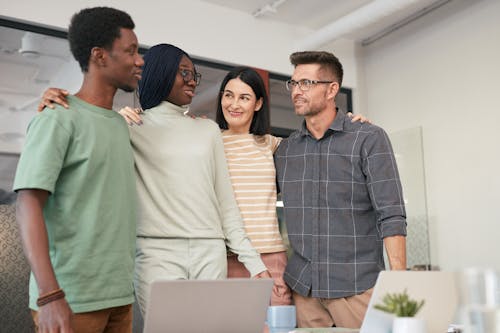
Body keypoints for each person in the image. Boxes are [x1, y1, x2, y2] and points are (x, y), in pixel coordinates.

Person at [37, 44, 270, 316]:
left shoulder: (207, 130)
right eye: (185, 72)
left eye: (195, 74)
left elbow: (225, 203)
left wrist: (255, 263)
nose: (193, 80)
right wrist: (55, 101)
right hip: (155, 253)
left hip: (210, 251)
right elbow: (78, 134)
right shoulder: (128, 126)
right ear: (161, 73)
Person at [14, 7, 143, 333]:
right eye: (130, 51)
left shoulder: (118, 124)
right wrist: (49, 295)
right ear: (100, 56)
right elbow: (28, 203)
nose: (139, 60)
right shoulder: (57, 117)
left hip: (118, 297)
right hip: (70, 300)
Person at [274, 51, 407, 329]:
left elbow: (391, 214)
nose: (297, 91)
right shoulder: (285, 151)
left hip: (358, 287)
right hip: (305, 291)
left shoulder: (368, 138)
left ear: (332, 89)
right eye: (294, 83)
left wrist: (399, 283)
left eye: (306, 83)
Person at [214, 67, 292, 306]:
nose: (234, 104)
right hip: (224, 258)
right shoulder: (209, 141)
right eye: (229, 95)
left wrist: (353, 125)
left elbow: (317, 148)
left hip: (270, 256)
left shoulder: (271, 144)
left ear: (258, 103)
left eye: (244, 97)